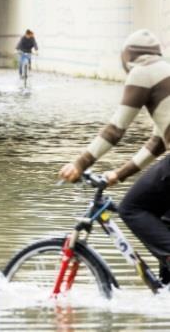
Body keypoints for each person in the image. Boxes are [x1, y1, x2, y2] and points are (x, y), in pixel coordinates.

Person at [58, 29, 170, 286]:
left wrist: (80, 162)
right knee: (162, 222)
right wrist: (118, 175)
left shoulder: (142, 72)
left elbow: (116, 129)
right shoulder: (164, 71)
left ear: (127, 57)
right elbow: (157, 143)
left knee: (132, 207)